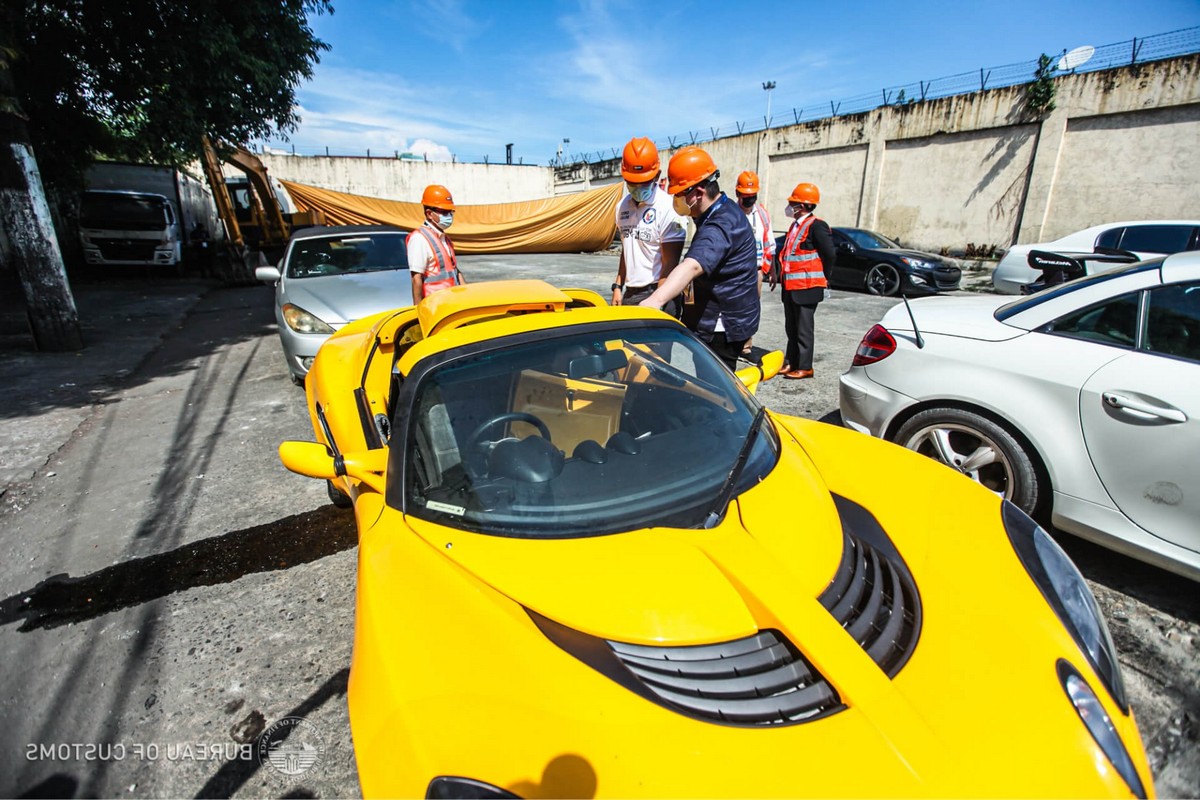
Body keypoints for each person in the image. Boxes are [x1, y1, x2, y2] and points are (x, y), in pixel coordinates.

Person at [639, 147, 759, 370]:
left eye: (679, 194)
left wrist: (654, 301)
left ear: (698, 192)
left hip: (721, 327)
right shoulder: (718, 211)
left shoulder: (721, 223)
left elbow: (693, 265)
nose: (676, 199)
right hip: (717, 318)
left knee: (715, 390)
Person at [612, 137, 687, 316]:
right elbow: (627, 249)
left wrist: (657, 301)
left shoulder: (669, 208)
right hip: (630, 293)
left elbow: (670, 263)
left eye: (643, 182)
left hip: (658, 292)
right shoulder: (621, 207)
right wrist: (618, 286)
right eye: (632, 182)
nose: (637, 187)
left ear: (657, 175)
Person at [772, 182, 835, 379]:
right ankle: (792, 362)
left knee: (803, 329)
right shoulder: (795, 225)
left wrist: (825, 276)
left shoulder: (817, 226)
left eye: (793, 202)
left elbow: (829, 254)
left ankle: (805, 366)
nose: (790, 206)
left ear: (804, 206)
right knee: (791, 327)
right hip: (791, 286)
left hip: (807, 287)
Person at [735, 170, 774, 354]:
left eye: (752, 196)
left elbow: (769, 243)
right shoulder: (732, 213)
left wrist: (767, 270)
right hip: (736, 270)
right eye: (746, 196)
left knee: (751, 308)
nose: (749, 200)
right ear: (738, 194)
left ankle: (746, 345)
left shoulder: (762, 215)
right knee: (735, 306)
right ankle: (734, 342)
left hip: (756, 270)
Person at [408, 184, 464, 304]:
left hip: (452, 304)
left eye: (450, 212)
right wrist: (417, 313)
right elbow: (416, 279)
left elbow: (455, 271)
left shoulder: (444, 239)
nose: (449, 216)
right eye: (444, 212)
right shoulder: (419, 239)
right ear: (429, 214)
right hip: (434, 306)